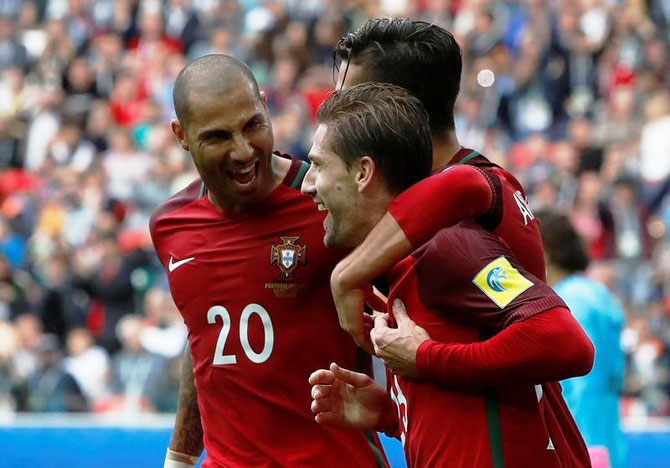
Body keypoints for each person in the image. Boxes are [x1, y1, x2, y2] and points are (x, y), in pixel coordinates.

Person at [303, 82, 594, 467]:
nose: (308, 185)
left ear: (362, 173)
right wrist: (394, 414)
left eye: (319, 166)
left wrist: (427, 359)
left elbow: (567, 342)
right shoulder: (395, 269)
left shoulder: (447, 245)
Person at [150, 54, 386, 468]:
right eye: (218, 136)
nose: (243, 151)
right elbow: (203, 333)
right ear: (181, 136)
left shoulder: (330, 204)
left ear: (263, 103)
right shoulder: (171, 226)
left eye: (252, 126)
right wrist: (181, 455)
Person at [328, 17, 546, 350]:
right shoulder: (421, 201)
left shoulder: (473, 209)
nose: (338, 120)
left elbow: (549, 338)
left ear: (396, 108)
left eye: (353, 104)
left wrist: (347, 275)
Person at [539, 210, 627, 468]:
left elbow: (578, 380)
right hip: (608, 433)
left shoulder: (566, 302)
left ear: (546, 250)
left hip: (579, 436)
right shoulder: (597, 293)